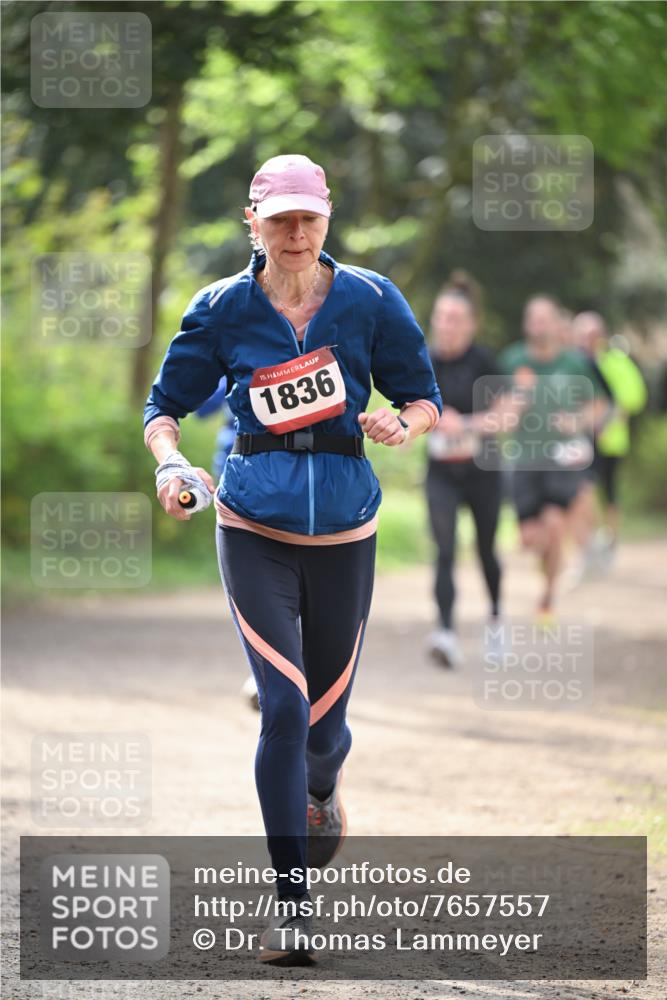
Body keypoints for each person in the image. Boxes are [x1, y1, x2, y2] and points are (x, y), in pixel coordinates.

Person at [143, 153, 442, 965]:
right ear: (253, 222)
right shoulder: (223, 307)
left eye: (308, 217)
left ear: (328, 217)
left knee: (324, 728)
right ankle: (292, 908)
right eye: (280, 220)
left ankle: (321, 789)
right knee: (282, 704)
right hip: (252, 527)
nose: (296, 233)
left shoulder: (372, 299)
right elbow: (164, 407)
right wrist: (173, 465)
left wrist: (402, 424)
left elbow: (423, 396)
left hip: (346, 532)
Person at [499, 295, 608, 622]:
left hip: (562, 459)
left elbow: (600, 405)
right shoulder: (512, 360)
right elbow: (498, 414)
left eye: (544, 319)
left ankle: (547, 596)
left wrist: (578, 421)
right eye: (533, 319)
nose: (538, 325)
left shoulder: (574, 364)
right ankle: (549, 567)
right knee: (532, 539)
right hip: (524, 459)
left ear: (556, 324)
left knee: (556, 524)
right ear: (526, 324)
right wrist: (515, 400)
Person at [424, 273, 507, 668]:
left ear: (471, 324)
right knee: (444, 549)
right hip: (440, 471)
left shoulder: (484, 361)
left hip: (482, 472)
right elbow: (407, 410)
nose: (446, 324)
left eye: (455, 318)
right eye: (441, 316)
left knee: (486, 549)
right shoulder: (423, 361)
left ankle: (495, 619)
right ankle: (445, 632)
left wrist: (467, 424)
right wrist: (428, 421)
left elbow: (507, 417)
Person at [572, 311, 648, 555]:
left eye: (592, 333)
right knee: (586, 488)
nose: (588, 338)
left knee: (608, 490)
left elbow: (631, 398)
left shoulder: (615, 360)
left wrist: (605, 424)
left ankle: (610, 539)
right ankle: (592, 540)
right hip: (583, 438)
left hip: (610, 440)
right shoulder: (576, 360)